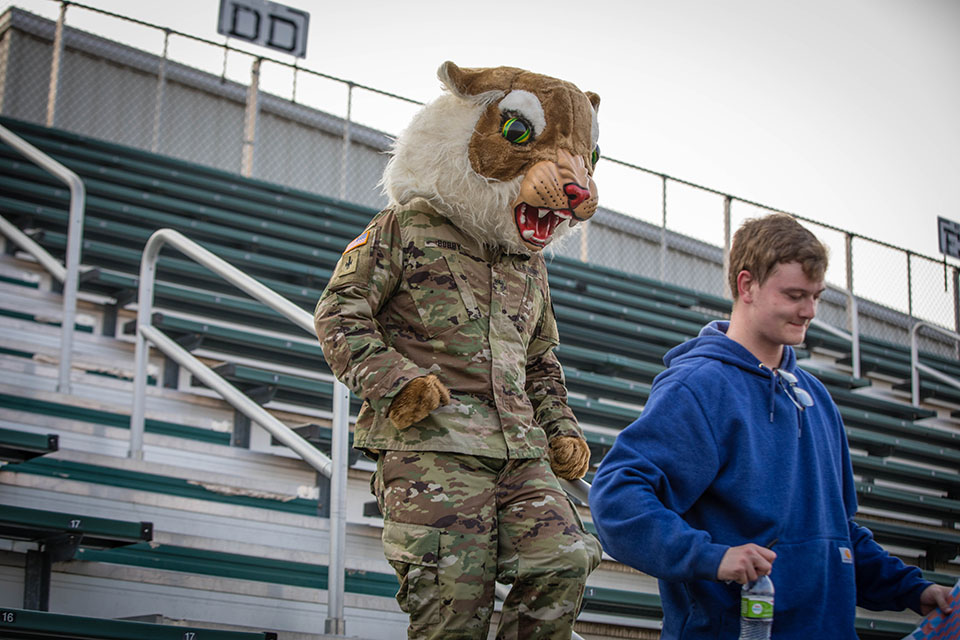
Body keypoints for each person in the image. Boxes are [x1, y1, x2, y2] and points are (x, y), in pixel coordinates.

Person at [589, 213, 953, 639]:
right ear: (747, 286)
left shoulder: (817, 397)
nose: (810, 311)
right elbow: (616, 495)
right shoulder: (699, 386)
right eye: (796, 295)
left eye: (816, 296)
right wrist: (712, 557)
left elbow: (837, 535)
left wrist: (914, 589)